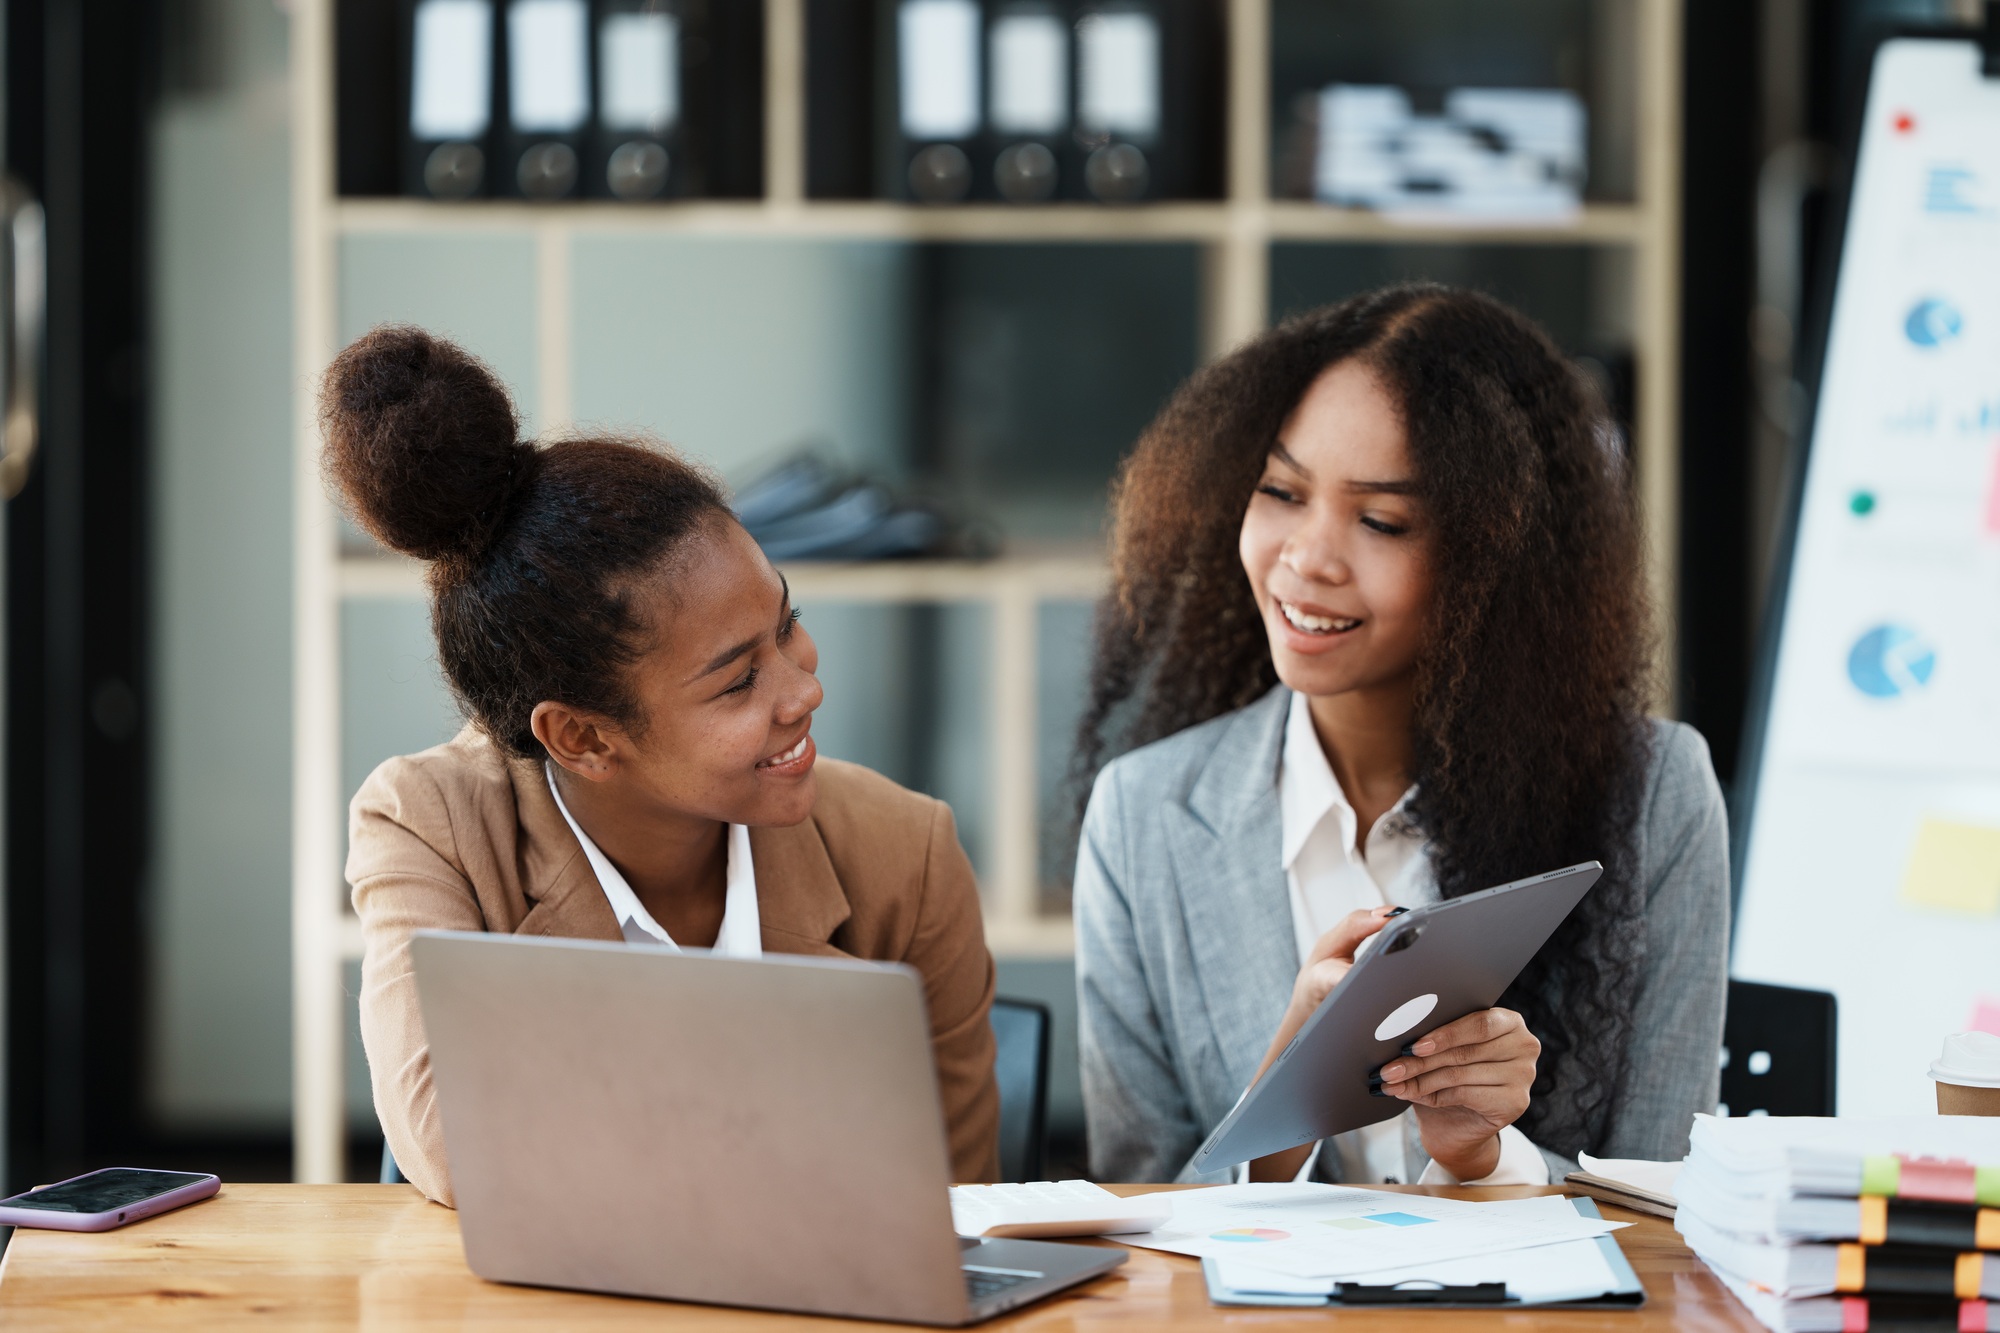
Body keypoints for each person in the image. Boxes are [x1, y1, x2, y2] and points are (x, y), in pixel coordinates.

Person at [1072, 284, 1728, 1187]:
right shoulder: (1142, 814)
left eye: (1380, 520)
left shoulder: (1654, 794)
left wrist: (1482, 1158)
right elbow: (1136, 1228)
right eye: (1279, 490)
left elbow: (1670, 1207)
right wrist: (1283, 1107)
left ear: (1500, 559)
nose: (1308, 557)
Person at [326, 326, 999, 1205]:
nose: (803, 690)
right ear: (583, 738)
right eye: (738, 680)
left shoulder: (906, 852)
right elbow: (458, 1136)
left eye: (786, 624)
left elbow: (959, 1215)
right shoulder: (430, 823)